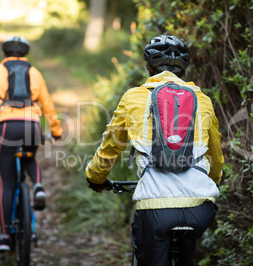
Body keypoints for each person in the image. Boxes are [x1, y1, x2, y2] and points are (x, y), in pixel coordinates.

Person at [85, 35, 224, 265]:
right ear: (184, 69)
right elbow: (215, 154)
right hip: (201, 208)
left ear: (148, 66)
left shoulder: (134, 98)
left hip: (154, 209)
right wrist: (214, 179)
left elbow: (111, 145)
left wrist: (96, 177)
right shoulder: (203, 100)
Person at [0, 35, 62, 252]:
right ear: (26, 52)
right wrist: (56, 130)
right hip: (31, 125)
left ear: (5, 53)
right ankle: (38, 187)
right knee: (30, 156)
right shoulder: (34, 72)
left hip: (6, 127)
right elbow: (47, 104)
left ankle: (5, 237)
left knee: (7, 183)